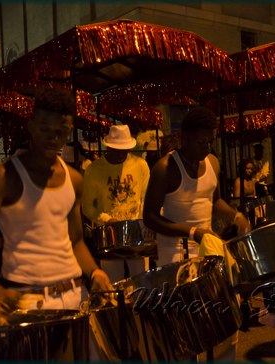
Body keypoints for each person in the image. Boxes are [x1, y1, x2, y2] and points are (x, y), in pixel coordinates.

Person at [0, 87, 111, 314]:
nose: (53, 138)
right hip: (28, 301)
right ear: (31, 125)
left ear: (70, 130)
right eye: (45, 129)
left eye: (61, 131)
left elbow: (75, 242)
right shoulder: (3, 178)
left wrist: (95, 272)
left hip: (76, 294)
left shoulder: (74, 179)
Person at [143, 106, 250, 361]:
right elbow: (149, 217)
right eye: (202, 141)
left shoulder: (212, 162)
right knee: (184, 334)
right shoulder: (165, 168)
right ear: (184, 138)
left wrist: (235, 215)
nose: (207, 147)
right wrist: (192, 232)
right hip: (175, 254)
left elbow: (215, 201)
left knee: (224, 325)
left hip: (208, 250)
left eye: (211, 141)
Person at [82, 124, 150, 282]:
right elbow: (87, 206)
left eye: (124, 149)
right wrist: (106, 219)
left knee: (140, 281)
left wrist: (140, 223)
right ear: (108, 147)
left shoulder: (140, 166)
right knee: (113, 283)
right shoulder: (94, 170)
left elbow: (145, 198)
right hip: (109, 233)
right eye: (116, 149)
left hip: (136, 233)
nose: (121, 153)